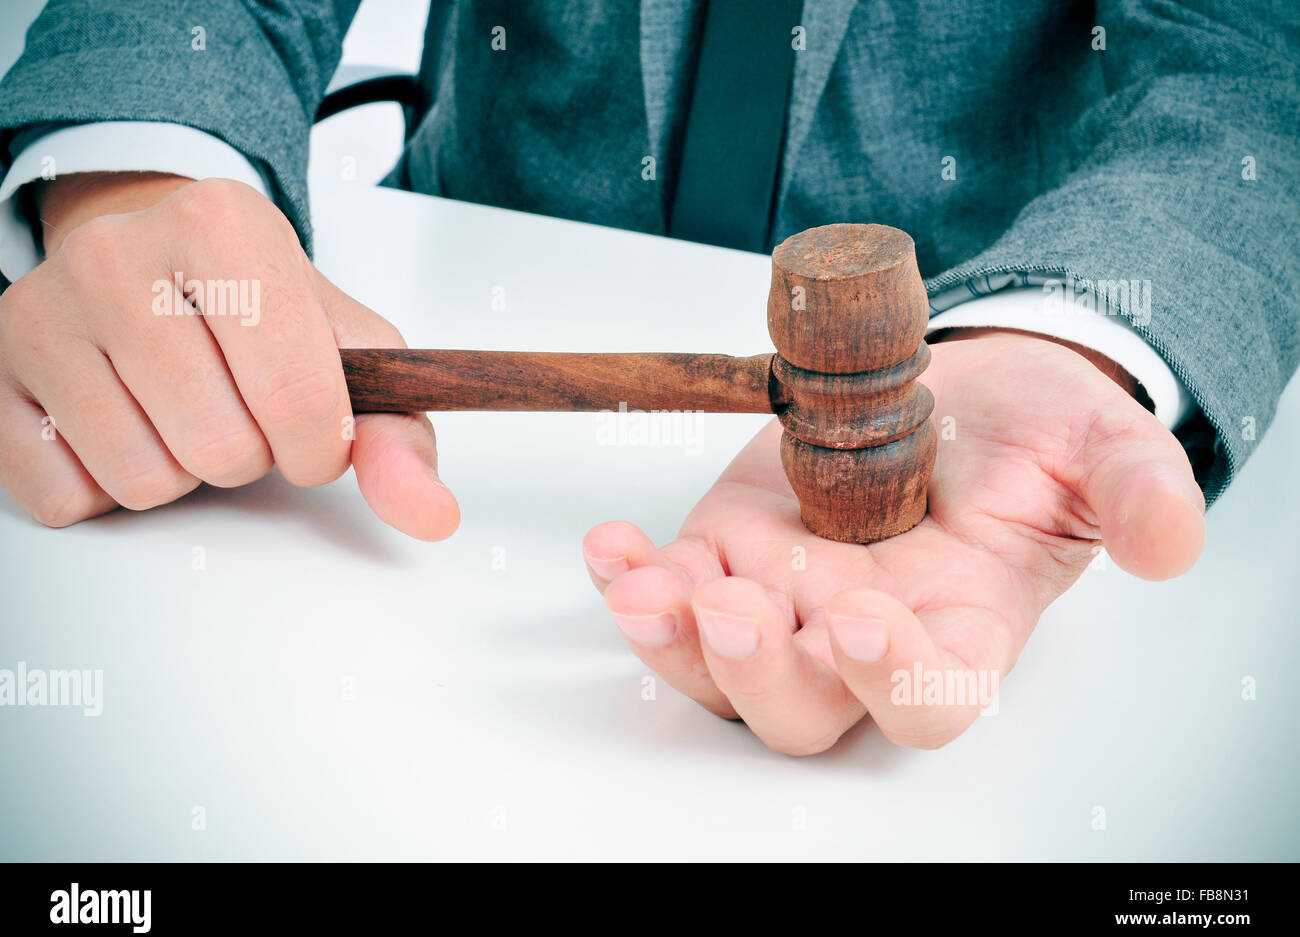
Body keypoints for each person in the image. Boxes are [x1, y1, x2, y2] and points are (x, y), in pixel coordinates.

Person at [0, 0, 1295, 754]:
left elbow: (1251, 63)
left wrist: (1067, 327)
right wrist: (143, 168)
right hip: (449, 248)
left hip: (992, 279)